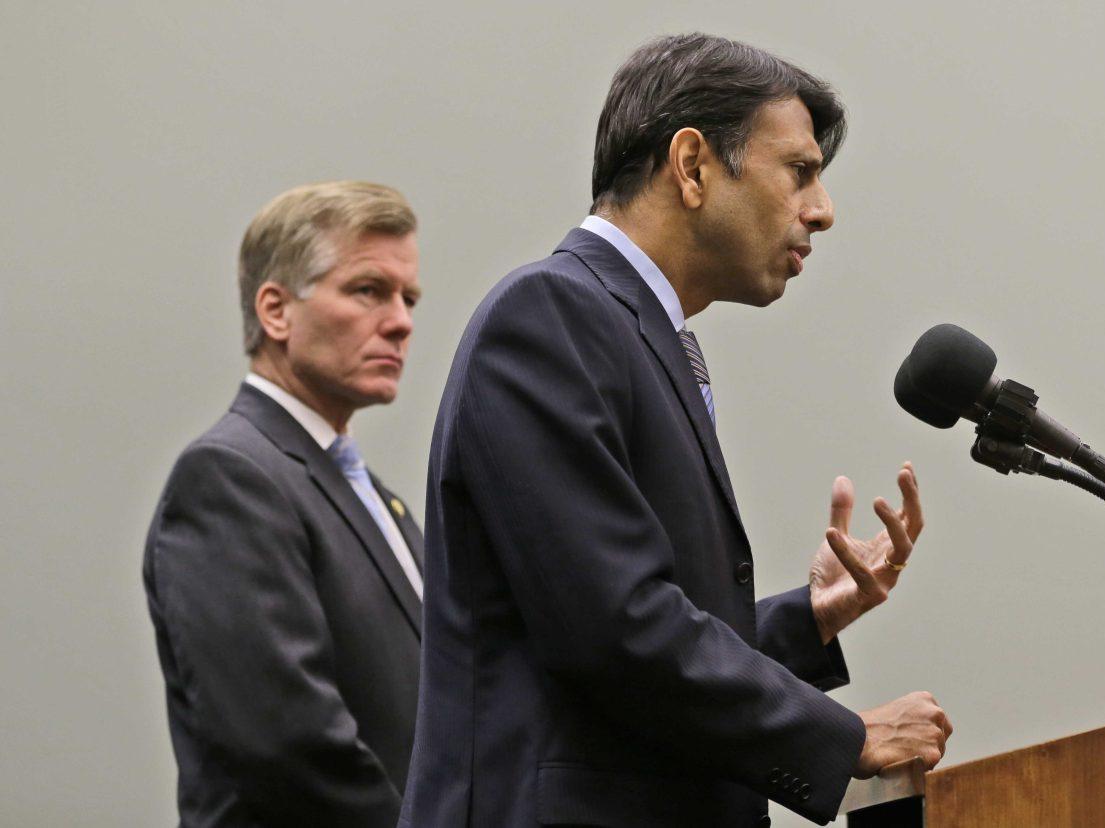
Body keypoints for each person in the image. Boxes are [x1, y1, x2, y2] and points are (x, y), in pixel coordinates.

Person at [402, 33, 953, 827]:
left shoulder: (632, 335)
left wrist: (808, 619)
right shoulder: (550, 317)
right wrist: (845, 736)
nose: (822, 211)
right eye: (799, 171)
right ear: (692, 166)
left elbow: (625, 648)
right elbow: (615, 634)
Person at [143, 180, 425, 827]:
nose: (402, 320)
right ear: (275, 311)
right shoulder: (230, 477)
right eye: (368, 290)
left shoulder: (375, 497)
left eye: (408, 298)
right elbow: (286, 743)